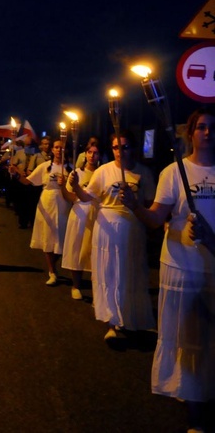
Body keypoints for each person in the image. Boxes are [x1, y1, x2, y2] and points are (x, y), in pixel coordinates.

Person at [119, 108, 215, 433]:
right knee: (188, 340)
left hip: (213, 268)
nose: (207, 132)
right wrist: (135, 206)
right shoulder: (174, 172)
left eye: (212, 127)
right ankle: (196, 412)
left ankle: (199, 392)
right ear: (190, 133)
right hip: (181, 267)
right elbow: (157, 219)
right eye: (200, 127)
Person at [69, 130, 156, 344]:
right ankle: (111, 322)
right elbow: (87, 197)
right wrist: (74, 185)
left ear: (133, 148)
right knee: (110, 273)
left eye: (124, 147)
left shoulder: (143, 173)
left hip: (133, 229)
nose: (120, 152)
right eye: (116, 147)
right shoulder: (103, 171)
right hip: (107, 229)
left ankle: (131, 317)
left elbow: (151, 204)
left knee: (130, 273)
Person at [13, 139, 71, 285]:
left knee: (62, 238)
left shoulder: (71, 169)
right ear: (52, 150)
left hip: (64, 204)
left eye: (62, 148)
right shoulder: (45, 167)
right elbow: (28, 181)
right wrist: (16, 173)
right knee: (49, 237)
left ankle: (55, 265)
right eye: (56, 147)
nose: (59, 150)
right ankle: (51, 271)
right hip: (48, 202)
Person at [60, 141, 101, 300]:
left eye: (96, 153)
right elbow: (70, 197)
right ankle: (76, 285)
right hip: (79, 214)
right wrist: (64, 187)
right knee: (77, 249)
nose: (92, 156)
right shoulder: (77, 173)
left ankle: (97, 287)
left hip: (97, 215)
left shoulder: (103, 172)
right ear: (85, 154)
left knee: (93, 251)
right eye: (89, 152)